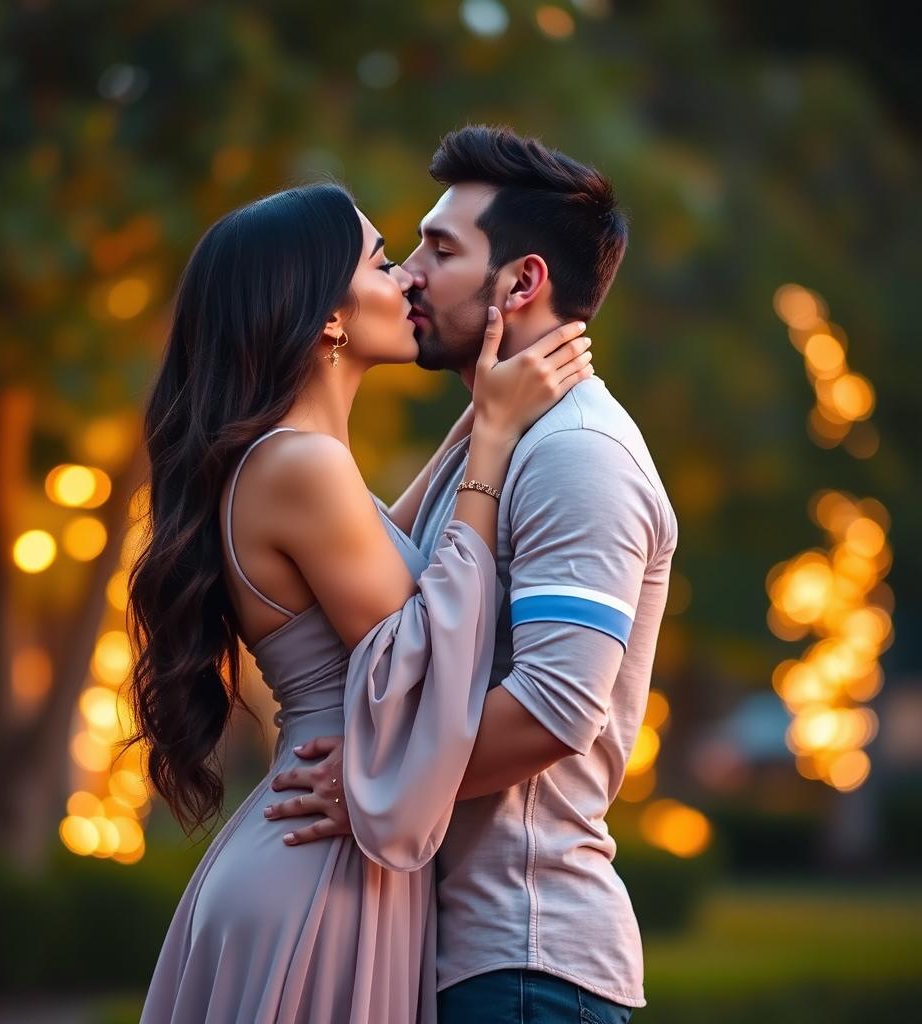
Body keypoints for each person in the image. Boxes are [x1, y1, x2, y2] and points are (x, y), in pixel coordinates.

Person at [127, 180, 594, 1023]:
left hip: (317, 852)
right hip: (322, 862)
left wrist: (478, 414)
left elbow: (400, 552)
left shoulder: (296, 462)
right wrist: (490, 439)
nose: (410, 281)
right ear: (328, 317)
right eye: (384, 262)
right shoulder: (300, 466)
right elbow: (427, 648)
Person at [267, 125, 679, 1023]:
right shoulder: (498, 441)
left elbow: (557, 709)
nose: (410, 273)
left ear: (522, 282)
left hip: (525, 961)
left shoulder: (579, 454)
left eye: (440, 249)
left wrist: (374, 782)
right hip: (449, 952)